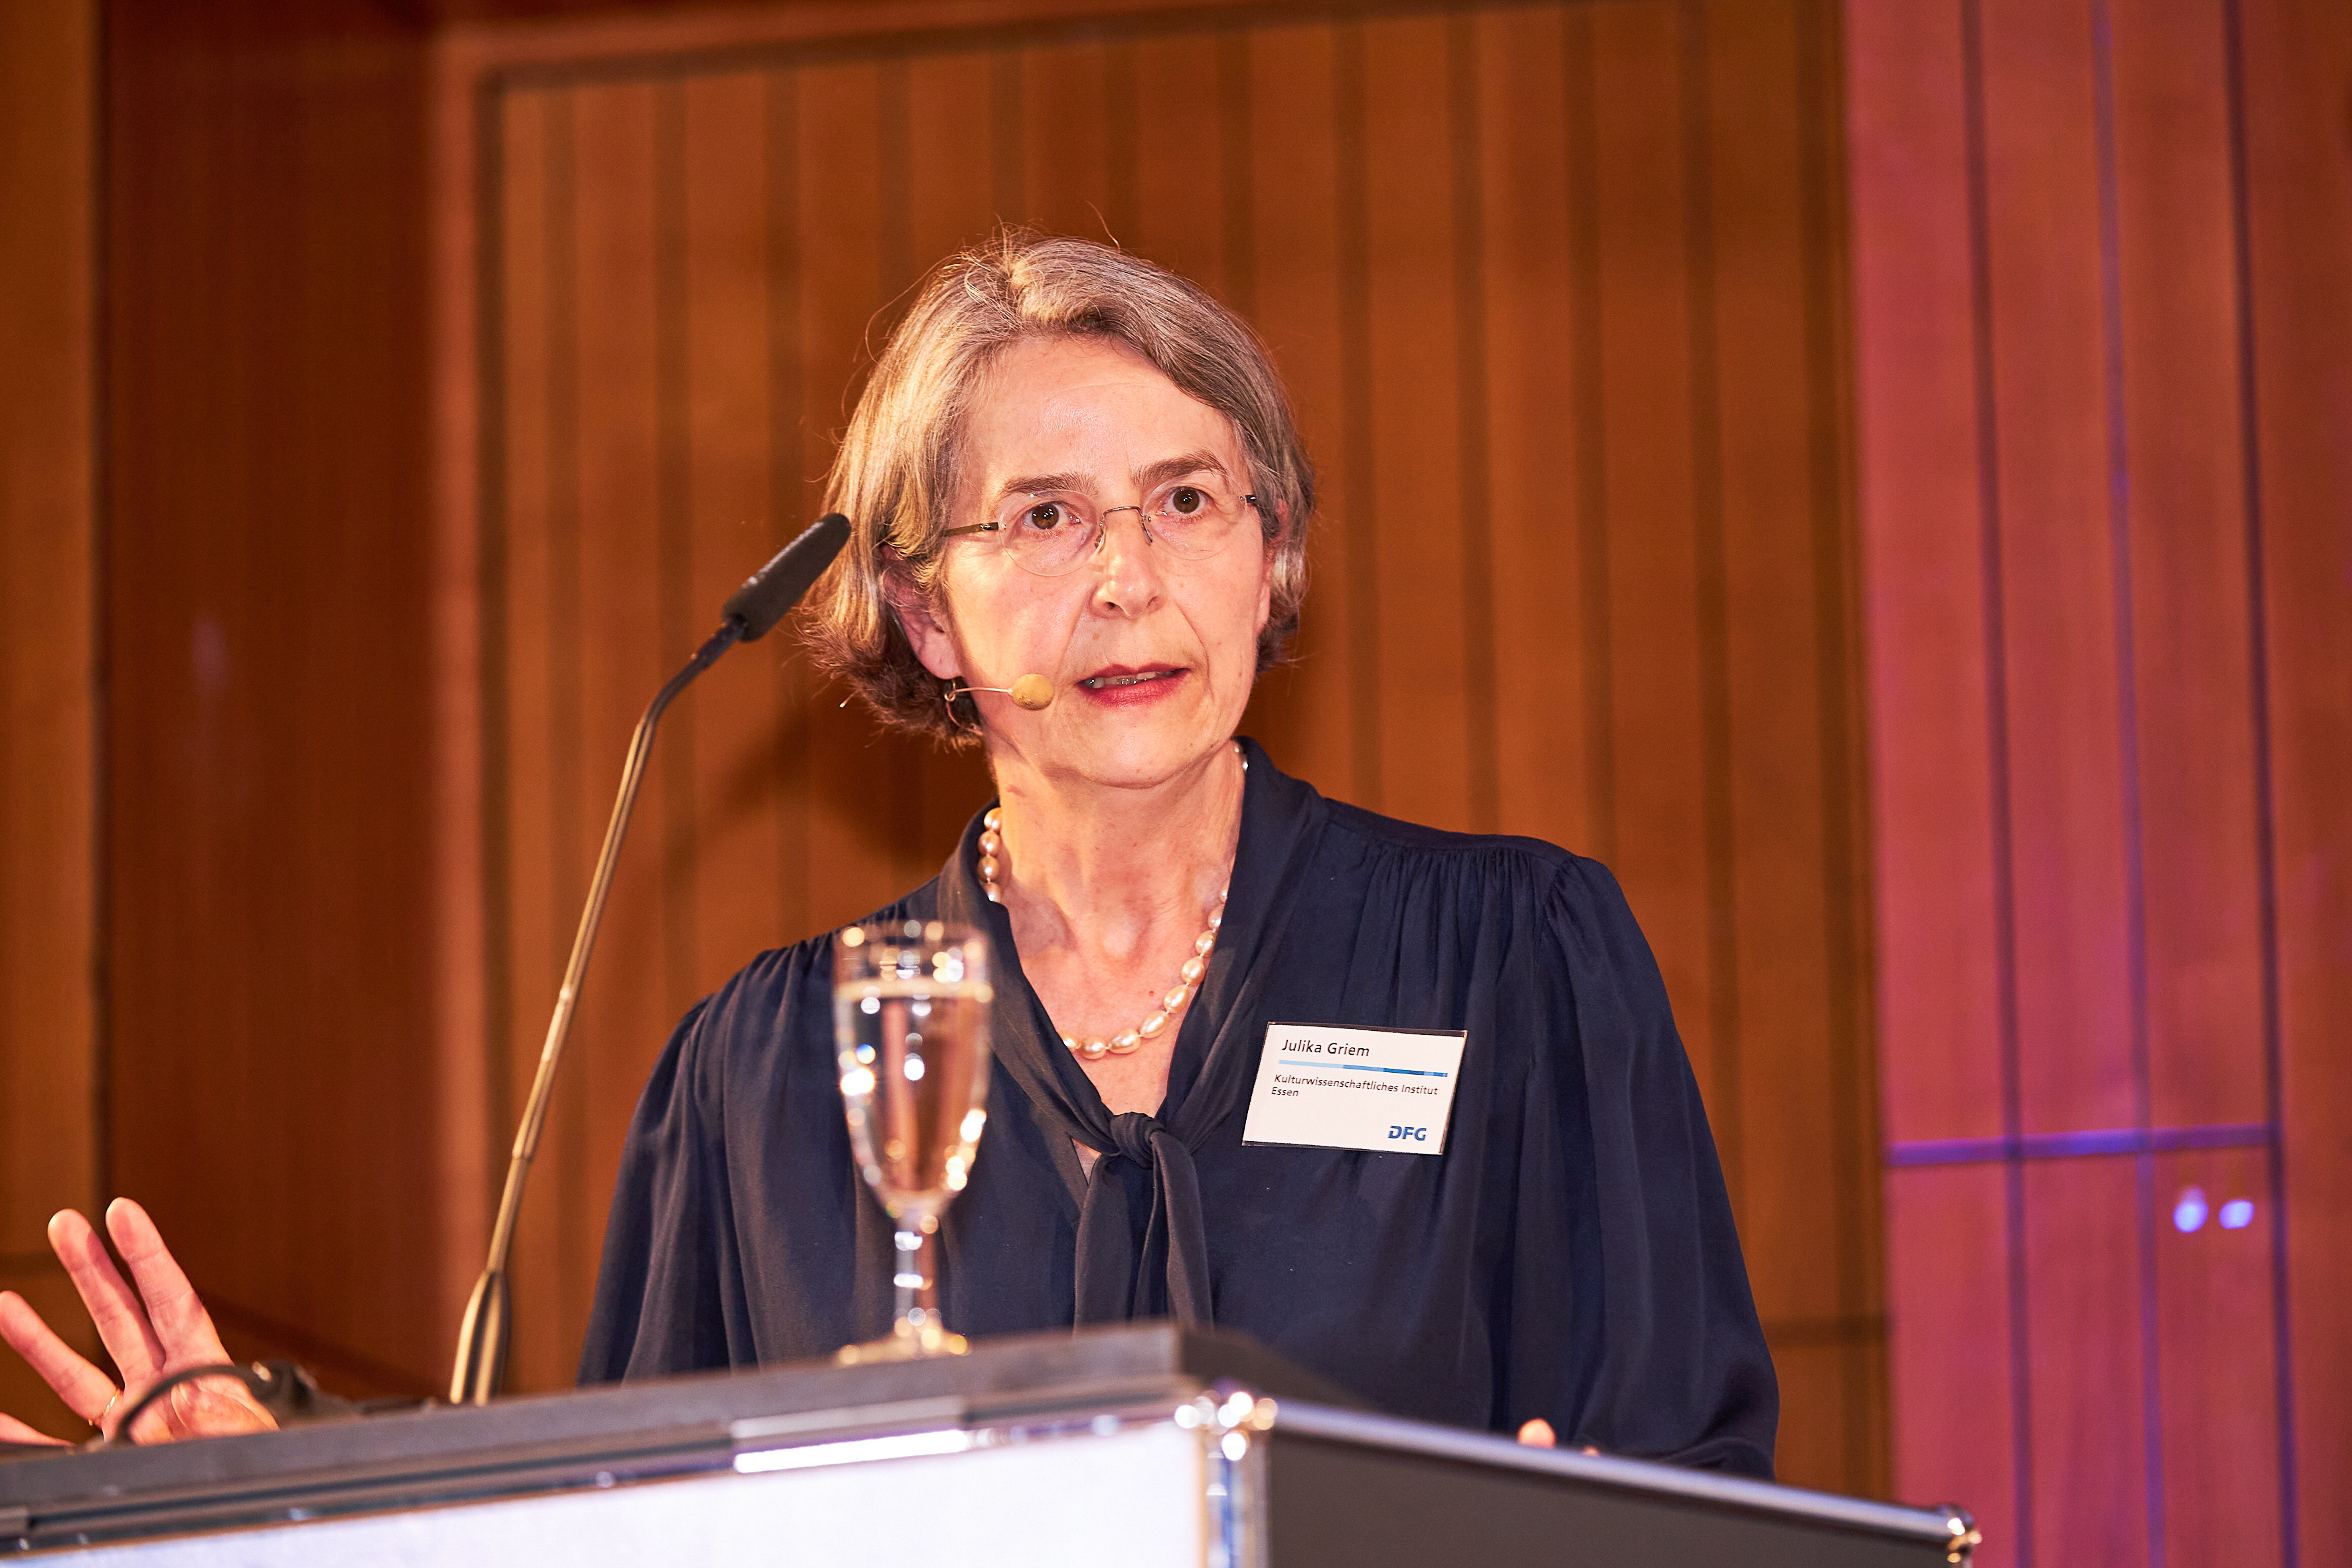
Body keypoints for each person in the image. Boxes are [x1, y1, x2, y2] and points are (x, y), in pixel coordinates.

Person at [1, 231, 1775, 1475]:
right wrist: (294, 1498)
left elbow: (1685, 1483)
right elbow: (631, 1541)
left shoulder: (1513, 962)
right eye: (1043, 516)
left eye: (1186, 500)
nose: (1126, 581)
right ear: (926, 612)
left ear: (1274, 554)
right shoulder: (763, 1076)